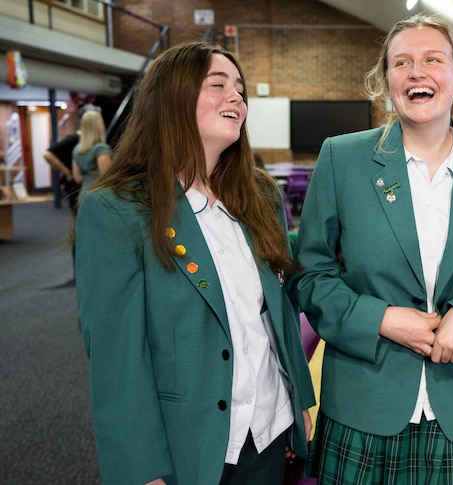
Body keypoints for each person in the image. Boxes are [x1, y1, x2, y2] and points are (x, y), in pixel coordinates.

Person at [289, 13, 453, 484]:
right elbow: (310, 276)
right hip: (362, 404)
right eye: (402, 63)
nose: (416, 72)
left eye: (432, 60)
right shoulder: (342, 158)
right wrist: (380, 318)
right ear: (387, 83)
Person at [74, 41, 315, 485]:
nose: (236, 98)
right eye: (218, 85)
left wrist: (297, 399)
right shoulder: (116, 210)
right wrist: (140, 470)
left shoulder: (261, 195)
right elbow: (117, 360)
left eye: (240, 90)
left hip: (267, 435)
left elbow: (278, 312)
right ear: (172, 100)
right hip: (189, 450)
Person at [72, 108, 112, 193]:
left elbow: (77, 178)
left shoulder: (76, 150)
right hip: (98, 194)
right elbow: (106, 177)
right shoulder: (101, 148)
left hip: (84, 192)